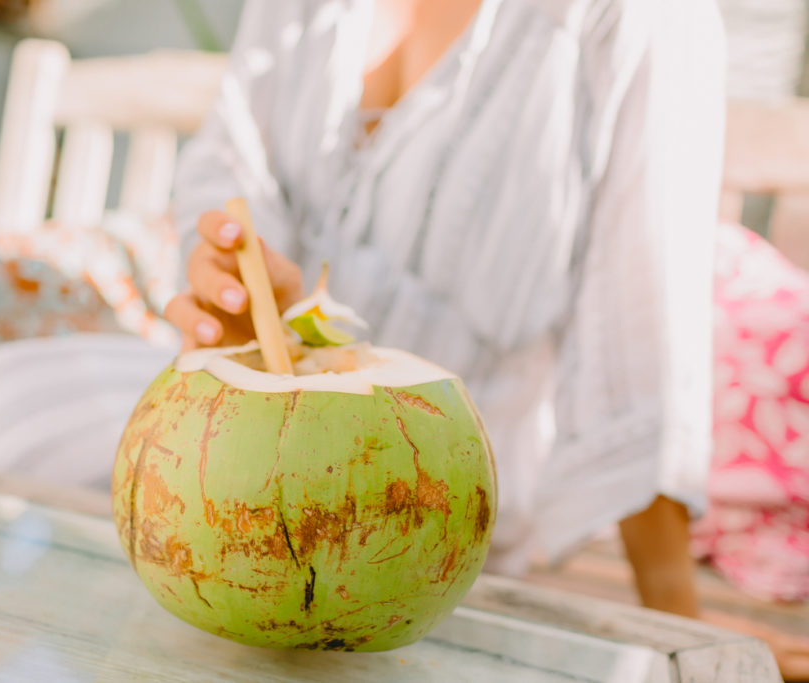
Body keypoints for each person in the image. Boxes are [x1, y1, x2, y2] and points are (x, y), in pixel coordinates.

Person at [163, 0, 805, 677]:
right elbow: (231, 161)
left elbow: (639, 335)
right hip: (228, 478)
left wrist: (681, 632)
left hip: (423, 533)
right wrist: (233, 281)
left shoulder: (636, 16)